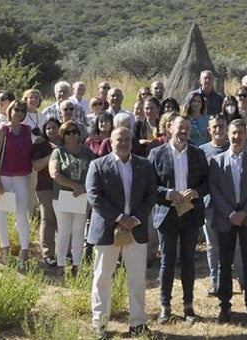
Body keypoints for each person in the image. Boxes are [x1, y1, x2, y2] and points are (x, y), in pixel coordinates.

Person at [86, 127, 156, 339]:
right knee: (102, 278)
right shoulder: (97, 165)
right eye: (119, 139)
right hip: (107, 230)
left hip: (136, 229)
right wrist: (119, 218)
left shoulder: (144, 165)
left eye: (127, 139)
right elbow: (94, 196)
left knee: (137, 278)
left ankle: (137, 323)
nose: (124, 142)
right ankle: (100, 325)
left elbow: (151, 194)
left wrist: (134, 219)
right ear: (111, 141)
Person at [148, 115, 210, 323]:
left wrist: (196, 192)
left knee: (188, 261)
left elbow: (207, 183)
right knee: (167, 261)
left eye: (187, 128)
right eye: (180, 127)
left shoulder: (198, 153)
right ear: (169, 128)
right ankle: (165, 306)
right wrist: (166, 193)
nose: (184, 131)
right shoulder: (156, 153)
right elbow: (148, 185)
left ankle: (188, 306)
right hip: (166, 213)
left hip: (190, 213)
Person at [208, 119, 247, 323]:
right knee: (224, 264)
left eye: (241, 133)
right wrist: (231, 214)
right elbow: (214, 190)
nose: (237, 137)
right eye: (233, 133)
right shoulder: (216, 161)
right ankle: (224, 306)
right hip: (225, 218)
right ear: (227, 134)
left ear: (245, 135)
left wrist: (245, 212)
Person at [198, 115, 239, 296]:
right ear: (209, 130)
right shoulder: (201, 151)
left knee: (235, 245)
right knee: (212, 245)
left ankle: (241, 279)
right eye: (214, 127)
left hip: (232, 208)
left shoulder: (235, 148)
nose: (218, 130)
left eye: (221, 126)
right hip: (210, 206)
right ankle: (215, 281)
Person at [49, 121, 95, 275]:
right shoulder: (58, 152)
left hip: (83, 196)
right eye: (68, 132)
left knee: (79, 230)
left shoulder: (87, 153)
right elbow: (54, 173)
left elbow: (95, 174)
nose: (72, 135)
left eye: (74, 131)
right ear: (62, 135)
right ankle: (61, 263)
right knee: (63, 230)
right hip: (63, 195)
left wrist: (85, 190)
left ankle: (77, 264)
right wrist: (74, 185)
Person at [0, 100, 34, 266]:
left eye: (23, 110)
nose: (20, 112)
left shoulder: (27, 130)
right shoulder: (3, 130)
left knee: (22, 213)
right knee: (1, 213)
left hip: (22, 177)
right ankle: (5, 250)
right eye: (17, 109)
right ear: (10, 110)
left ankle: (24, 252)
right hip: (4, 177)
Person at [32, 118, 62, 266]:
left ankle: (65, 253)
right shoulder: (40, 145)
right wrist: (53, 154)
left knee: (63, 222)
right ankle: (48, 254)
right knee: (48, 219)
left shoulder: (68, 143)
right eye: (48, 128)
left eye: (54, 127)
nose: (51, 130)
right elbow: (36, 166)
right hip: (45, 187)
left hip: (65, 188)